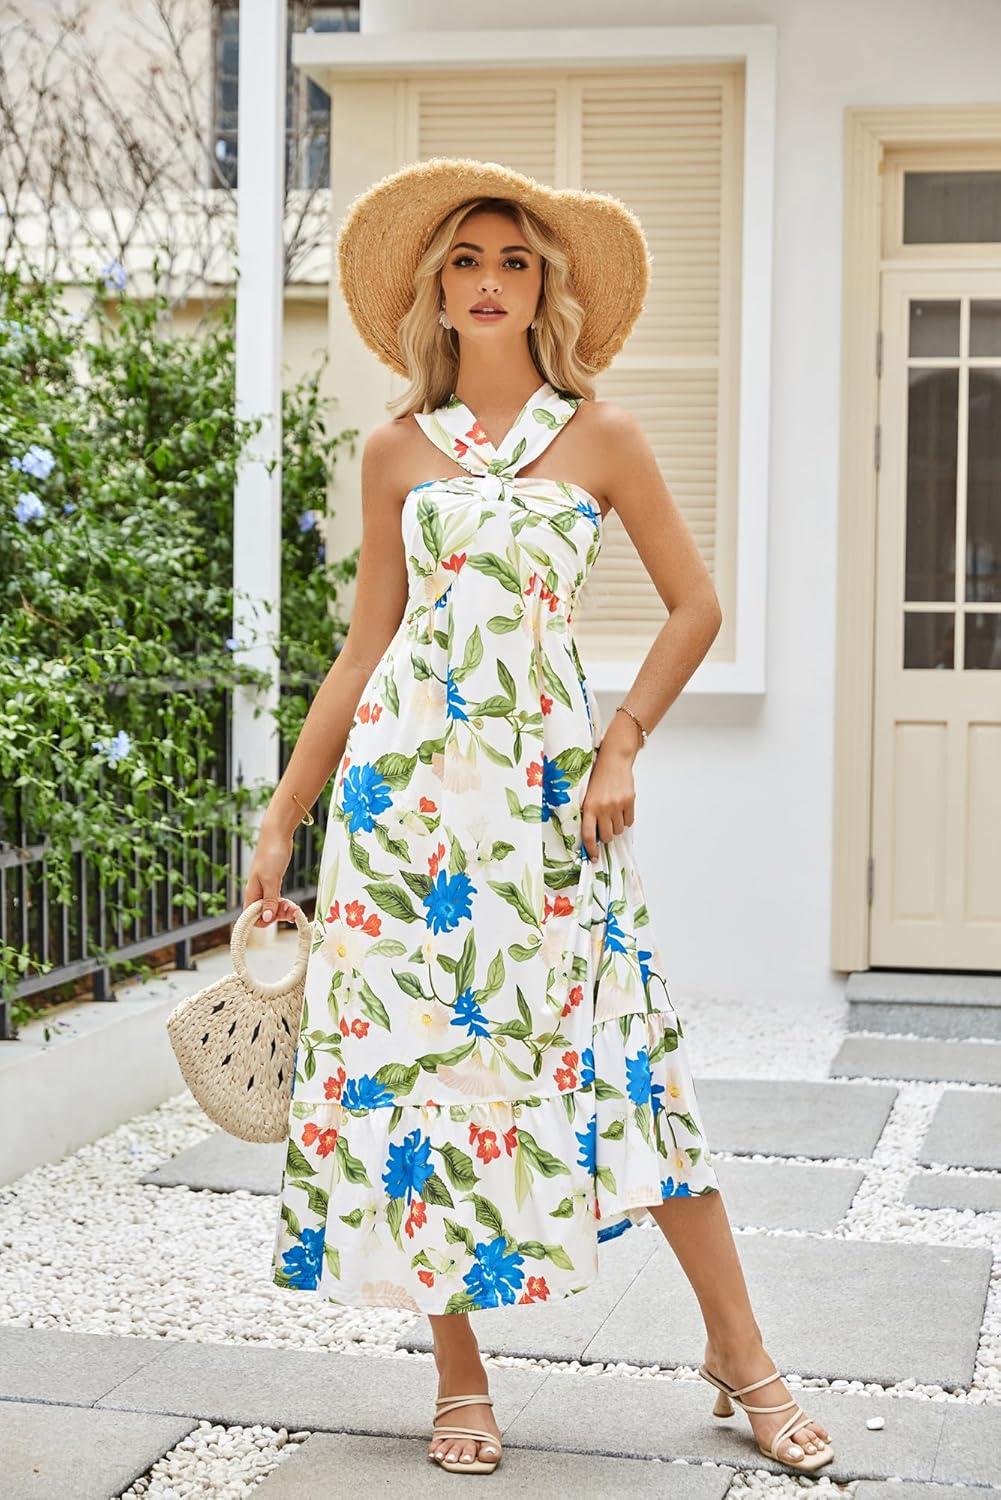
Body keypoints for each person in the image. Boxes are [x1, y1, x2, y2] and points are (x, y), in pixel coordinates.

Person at [242, 157, 833, 1478]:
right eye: (466, 260)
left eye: (514, 261)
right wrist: (285, 816)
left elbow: (696, 607)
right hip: (402, 815)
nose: (490, 282)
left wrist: (622, 743)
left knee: (630, 1065)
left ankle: (742, 1355)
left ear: (543, 288)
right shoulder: (396, 450)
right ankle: (457, 1375)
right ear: (434, 290)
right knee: (413, 1074)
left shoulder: (601, 435)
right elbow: (363, 649)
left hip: (549, 809)